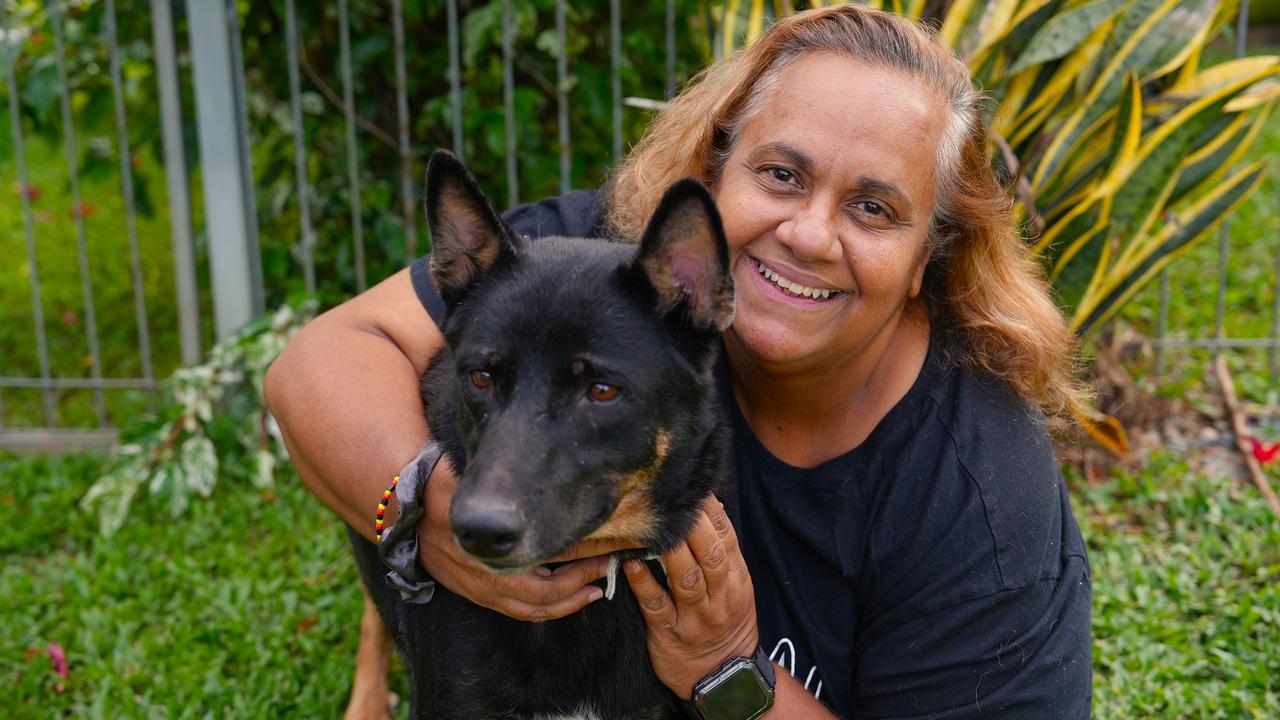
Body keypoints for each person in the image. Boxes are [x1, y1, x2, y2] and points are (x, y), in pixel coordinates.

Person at [265, 5, 1092, 718]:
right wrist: (432, 512)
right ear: (714, 165)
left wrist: (725, 666)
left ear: (926, 260)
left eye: (873, 208)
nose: (808, 234)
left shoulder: (978, 505)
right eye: (780, 173)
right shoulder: (602, 271)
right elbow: (317, 362)